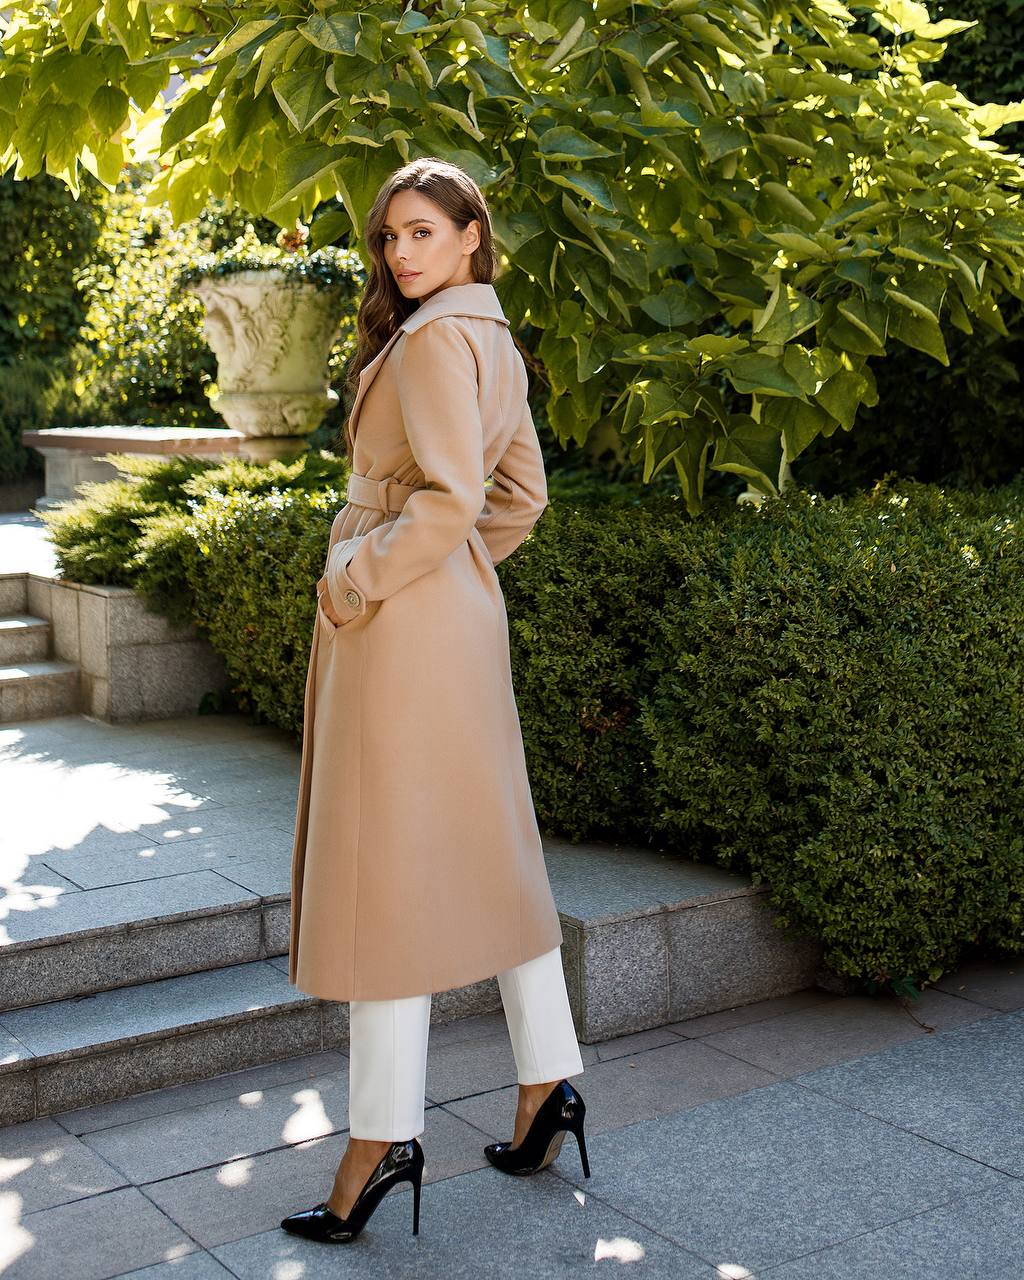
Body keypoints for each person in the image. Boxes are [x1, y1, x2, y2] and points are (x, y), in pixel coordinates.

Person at [280, 157, 589, 1246]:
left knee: (385, 877)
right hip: (447, 611)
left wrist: (363, 576)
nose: (401, 254)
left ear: (470, 237)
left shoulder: (429, 343)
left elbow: (458, 495)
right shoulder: (493, 338)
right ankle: (546, 1081)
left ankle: (375, 1145)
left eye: (421, 232)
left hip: (399, 619)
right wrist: (458, 571)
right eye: (389, 239)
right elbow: (520, 496)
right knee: (491, 849)